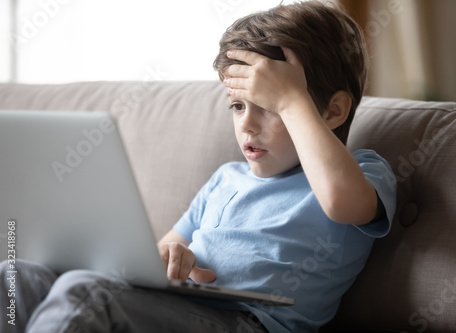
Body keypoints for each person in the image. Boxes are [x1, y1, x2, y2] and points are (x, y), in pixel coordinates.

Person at [0, 1, 396, 332]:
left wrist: (293, 101)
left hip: (249, 323)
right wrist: (171, 256)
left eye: (271, 107)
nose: (247, 124)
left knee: (85, 295)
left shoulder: (362, 171)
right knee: (16, 275)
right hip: (180, 307)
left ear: (334, 111)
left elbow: (341, 202)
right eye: (238, 106)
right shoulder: (227, 178)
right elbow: (162, 251)